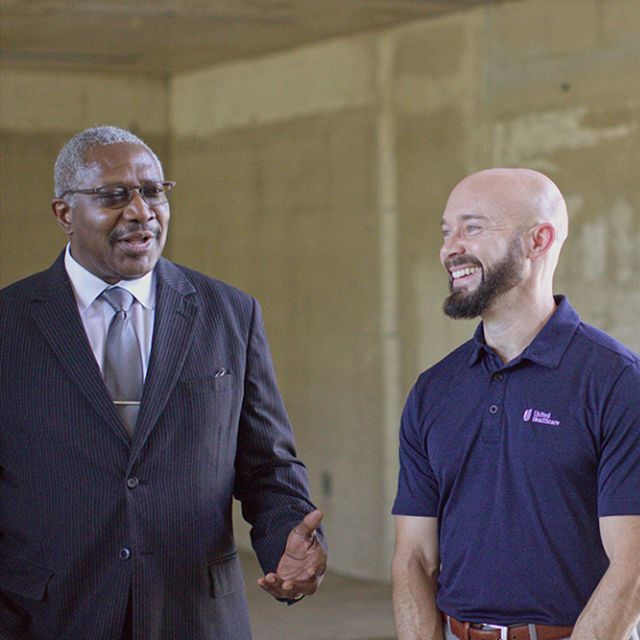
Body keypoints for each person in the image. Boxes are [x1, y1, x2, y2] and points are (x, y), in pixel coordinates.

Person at [0, 125, 326, 640]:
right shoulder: (10, 322)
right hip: (46, 618)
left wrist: (290, 541)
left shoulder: (229, 313)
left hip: (195, 616)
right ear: (65, 214)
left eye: (153, 191)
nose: (140, 211)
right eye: (113, 196)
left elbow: (268, 465)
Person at [391, 168, 640, 640]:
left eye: (472, 227)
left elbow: (634, 567)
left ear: (538, 241)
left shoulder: (618, 382)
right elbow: (415, 557)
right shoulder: (434, 390)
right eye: (446, 231)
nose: (449, 248)